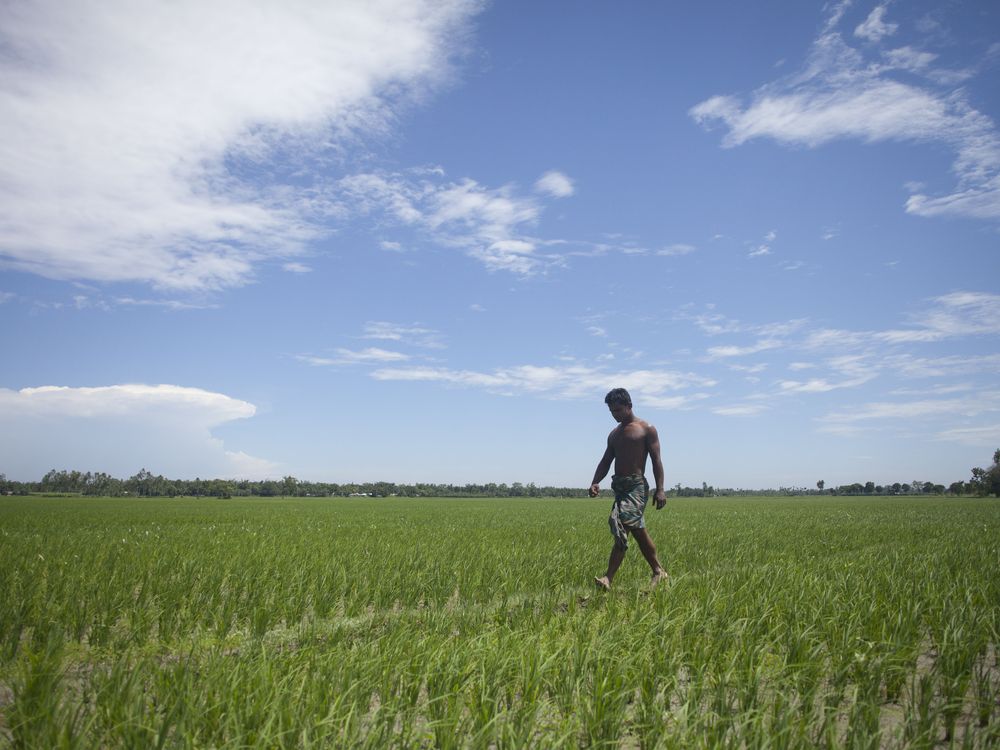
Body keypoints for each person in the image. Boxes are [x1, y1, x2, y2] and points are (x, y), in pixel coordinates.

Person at [589, 387, 669, 590]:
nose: (615, 415)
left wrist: (660, 489)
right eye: (612, 412)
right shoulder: (614, 434)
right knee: (638, 531)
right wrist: (595, 481)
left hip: (637, 487)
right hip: (621, 488)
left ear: (629, 406)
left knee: (621, 525)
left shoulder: (646, 428)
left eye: (618, 410)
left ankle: (608, 578)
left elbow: (656, 460)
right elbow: (606, 460)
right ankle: (659, 571)